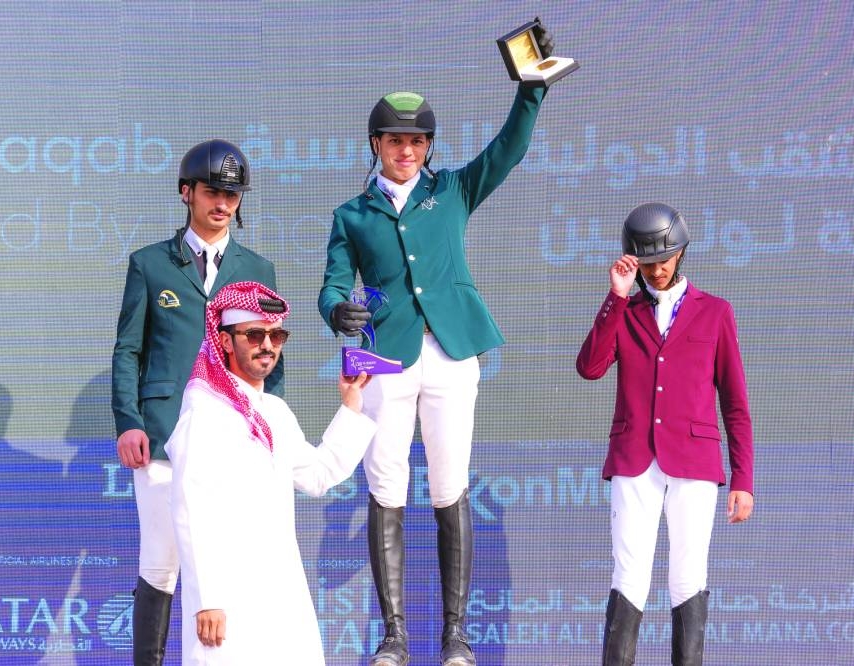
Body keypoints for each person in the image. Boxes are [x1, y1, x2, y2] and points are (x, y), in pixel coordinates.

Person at [317, 23, 558, 666]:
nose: (408, 149)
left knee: (449, 484)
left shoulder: (451, 188)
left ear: (427, 146)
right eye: (396, 140)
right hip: (380, 355)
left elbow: (505, 152)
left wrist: (530, 92)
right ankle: (394, 634)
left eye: (418, 140)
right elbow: (334, 285)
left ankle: (455, 634)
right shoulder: (352, 214)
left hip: (452, 352)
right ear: (377, 144)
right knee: (385, 486)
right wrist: (338, 310)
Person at [111, 139, 282, 665]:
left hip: (230, 440)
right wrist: (128, 422)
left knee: (226, 567)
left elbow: (267, 358)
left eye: (232, 194)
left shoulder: (258, 268)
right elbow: (128, 350)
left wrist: (266, 433)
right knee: (161, 562)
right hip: (162, 435)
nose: (223, 203)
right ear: (186, 192)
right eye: (213, 191)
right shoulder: (150, 265)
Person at [575, 203, 755, 665]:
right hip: (634, 458)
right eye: (647, 263)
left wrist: (743, 480)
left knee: (688, 576)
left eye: (664, 260)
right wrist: (615, 296)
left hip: (694, 463)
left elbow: (735, 403)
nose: (656, 271)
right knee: (629, 575)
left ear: (681, 254)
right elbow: (590, 368)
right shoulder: (626, 310)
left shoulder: (715, 312)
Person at [164, 281, 376, 665]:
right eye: (255, 334)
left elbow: (318, 475)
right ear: (226, 341)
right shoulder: (204, 413)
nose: (268, 344)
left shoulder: (275, 412)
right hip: (227, 599)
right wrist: (208, 598)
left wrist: (351, 406)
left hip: (281, 589)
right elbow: (189, 509)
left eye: (276, 335)